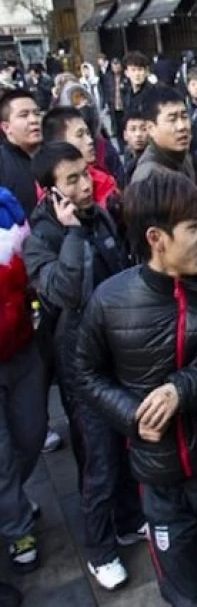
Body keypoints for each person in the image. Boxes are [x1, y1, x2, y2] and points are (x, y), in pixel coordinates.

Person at [72, 170, 197, 606]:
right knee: (187, 599)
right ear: (156, 237)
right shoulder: (110, 301)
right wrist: (131, 416)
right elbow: (85, 373)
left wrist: (182, 389)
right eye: (193, 228)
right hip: (161, 486)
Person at [24, 143, 141, 590]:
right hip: (81, 367)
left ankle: (130, 520)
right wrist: (72, 234)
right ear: (49, 191)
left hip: (118, 353)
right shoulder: (44, 239)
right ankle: (100, 549)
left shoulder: (102, 215)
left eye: (85, 174)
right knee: (99, 462)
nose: (84, 185)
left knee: (126, 446)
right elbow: (66, 293)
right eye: (70, 180)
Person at [0, 185, 47, 575]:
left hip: (21, 346)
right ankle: (17, 527)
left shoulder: (7, 205)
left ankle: (10, 496)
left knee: (33, 433)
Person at [131, 87, 196, 185]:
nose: (182, 126)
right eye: (172, 119)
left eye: (184, 117)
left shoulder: (184, 157)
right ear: (151, 128)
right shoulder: (149, 178)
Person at [0, 89, 43, 216]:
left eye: (36, 113)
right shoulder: (2, 164)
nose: (34, 120)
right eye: (24, 115)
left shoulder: (53, 155)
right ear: (6, 127)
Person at [122, 105, 149, 186]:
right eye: (133, 129)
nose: (138, 134)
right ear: (125, 135)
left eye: (143, 129)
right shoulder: (128, 155)